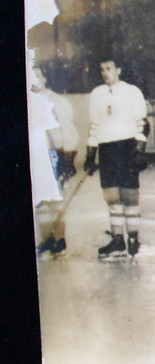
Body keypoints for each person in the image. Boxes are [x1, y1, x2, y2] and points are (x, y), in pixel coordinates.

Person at [83, 59, 148, 258]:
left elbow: (142, 124)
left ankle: (134, 238)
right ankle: (118, 239)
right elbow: (94, 126)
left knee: (129, 196)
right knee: (112, 197)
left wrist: (138, 151)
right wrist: (90, 155)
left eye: (109, 68)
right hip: (107, 149)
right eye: (102, 69)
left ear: (118, 70)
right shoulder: (96, 94)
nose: (105, 73)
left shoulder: (132, 91)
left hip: (127, 148)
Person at [32, 66, 79, 255]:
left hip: (53, 154)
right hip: (36, 155)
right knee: (40, 200)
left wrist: (67, 156)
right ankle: (47, 239)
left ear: (44, 79)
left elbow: (68, 130)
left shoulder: (56, 101)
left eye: (36, 76)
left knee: (55, 199)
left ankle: (60, 238)